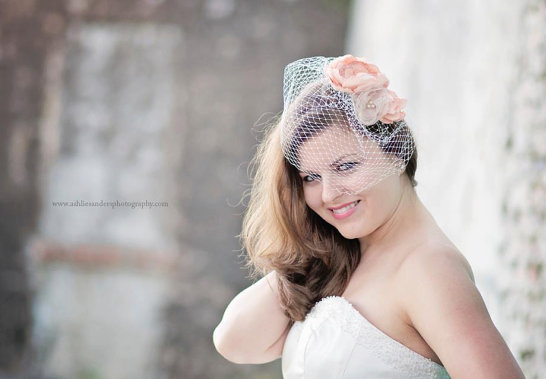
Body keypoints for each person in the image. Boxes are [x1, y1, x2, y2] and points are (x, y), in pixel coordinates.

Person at [213, 55, 525, 378]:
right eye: (310, 178)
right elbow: (232, 340)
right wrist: (311, 254)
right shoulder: (344, 258)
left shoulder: (430, 270)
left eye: (346, 166)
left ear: (395, 152)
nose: (329, 194)